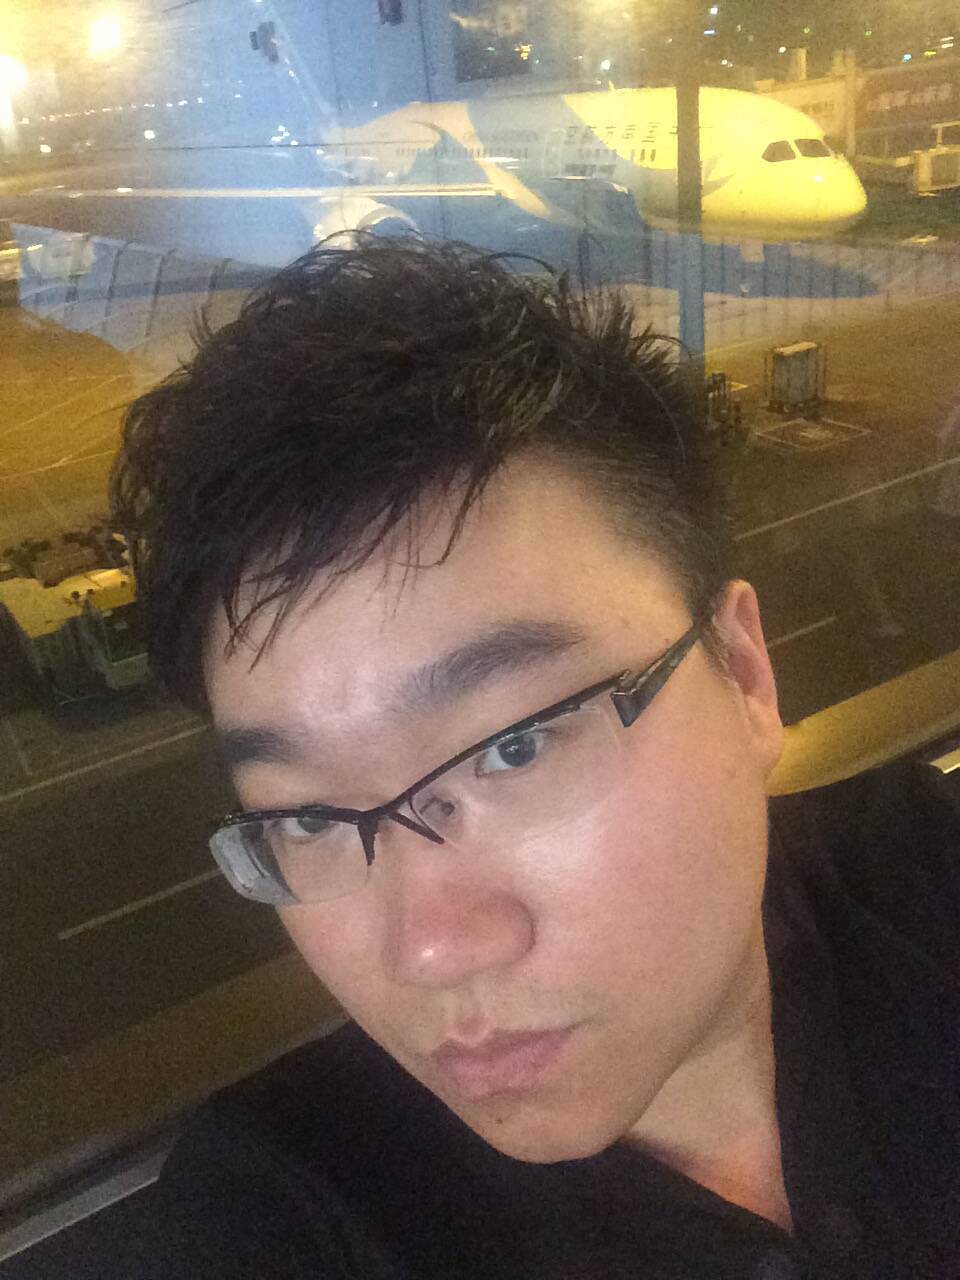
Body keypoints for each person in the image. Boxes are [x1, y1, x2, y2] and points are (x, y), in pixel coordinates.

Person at [110, 237, 959, 1279]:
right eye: (307, 818)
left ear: (743, 673)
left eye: (513, 748)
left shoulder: (928, 880)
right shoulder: (286, 1211)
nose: (429, 949)